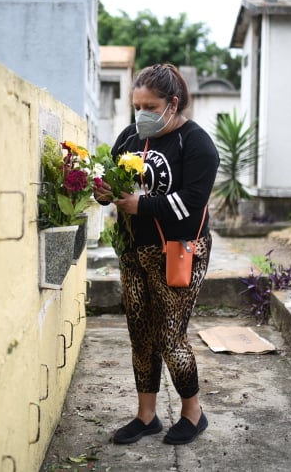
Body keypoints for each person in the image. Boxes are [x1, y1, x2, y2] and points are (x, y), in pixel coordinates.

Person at [93, 63, 219, 446]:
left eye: (150, 106)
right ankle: (146, 416)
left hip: (179, 251)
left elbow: (195, 201)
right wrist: (103, 192)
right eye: (137, 105)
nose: (141, 113)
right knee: (140, 335)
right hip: (133, 251)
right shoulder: (129, 136)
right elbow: (111, 178)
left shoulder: (195, 143)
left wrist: (142, 207)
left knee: (170, 335)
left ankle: (193, 414)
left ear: (172, 103)